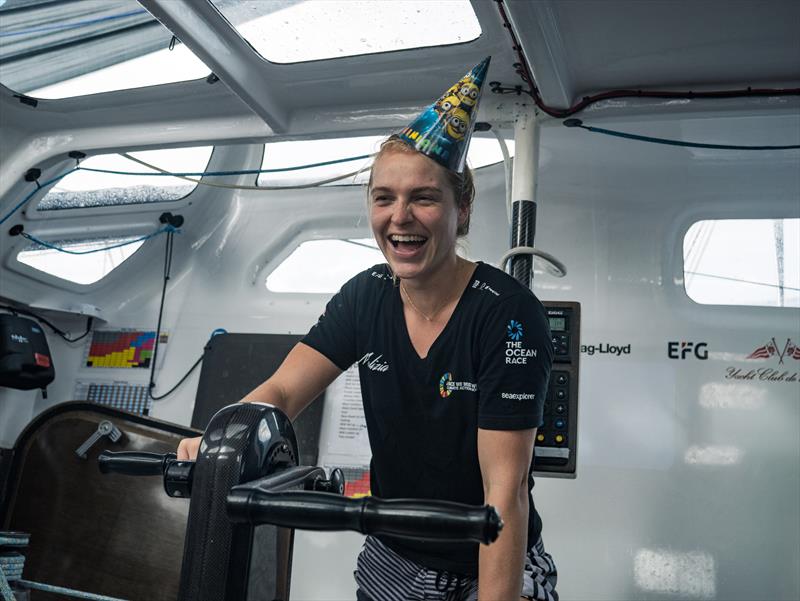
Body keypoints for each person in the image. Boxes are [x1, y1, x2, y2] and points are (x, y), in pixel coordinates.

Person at [179, 58, 558, 601]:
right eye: (384, 198)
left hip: (489, 553)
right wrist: (223, 436)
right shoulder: (366, 295)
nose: (399, 216)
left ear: (462, 208)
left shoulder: (509, 314)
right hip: (392, 554)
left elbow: (506, 490)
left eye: (423, 198)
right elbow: (284, 391)